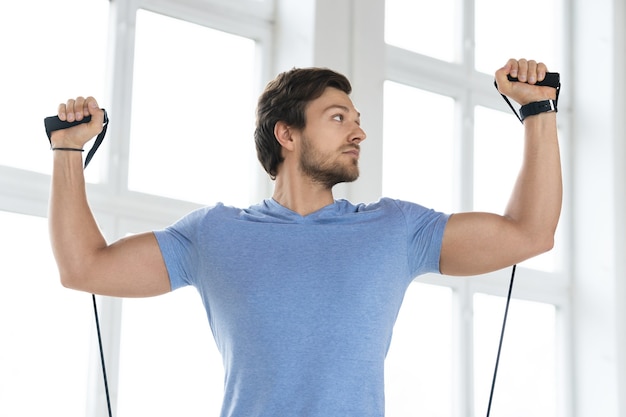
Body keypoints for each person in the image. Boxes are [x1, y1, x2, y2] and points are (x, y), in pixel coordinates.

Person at [48, 58, 562, 416]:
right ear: (287, 134)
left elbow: (530, 233)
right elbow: (84, 268)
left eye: (358, 121)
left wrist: (538, 111)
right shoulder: (214, 234)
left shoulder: (395, 229)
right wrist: (69, 151)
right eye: (338, 119)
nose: (358, 132)